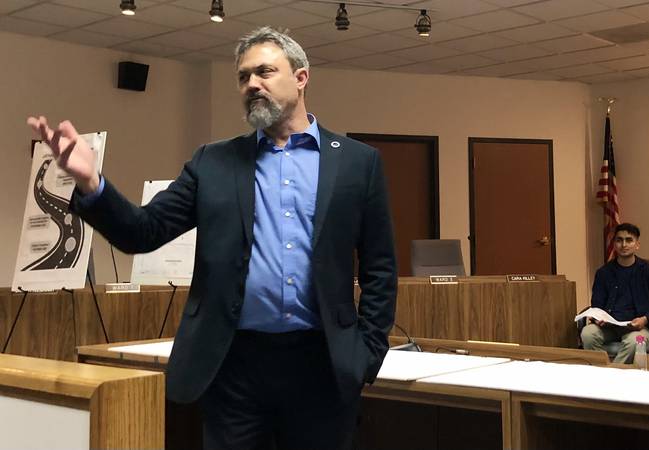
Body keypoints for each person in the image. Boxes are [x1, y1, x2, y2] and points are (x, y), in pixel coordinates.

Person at [27, 26, 397, 450]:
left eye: (264, 72)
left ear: (301, 77)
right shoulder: (214, 163)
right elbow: (143, 231)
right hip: (234, 367)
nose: (252, 84)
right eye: (243, 77)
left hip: (323, 365)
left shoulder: (356, 163)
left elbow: (380, 266)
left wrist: (366, 353)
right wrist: (93, 184)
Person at [580, 223, 649, 363]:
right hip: (609, 326)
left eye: (629, 240)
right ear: (614, 244)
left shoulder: (648, 271)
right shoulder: (604, 272)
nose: (624, 244)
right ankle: (600, 371)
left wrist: (645, 319)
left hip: (637, 327)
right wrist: (598, 317)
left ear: (637, 245)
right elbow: (597, 304)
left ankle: (613, 375)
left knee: (636, 342)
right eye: (619, 240)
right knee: (587, 334)